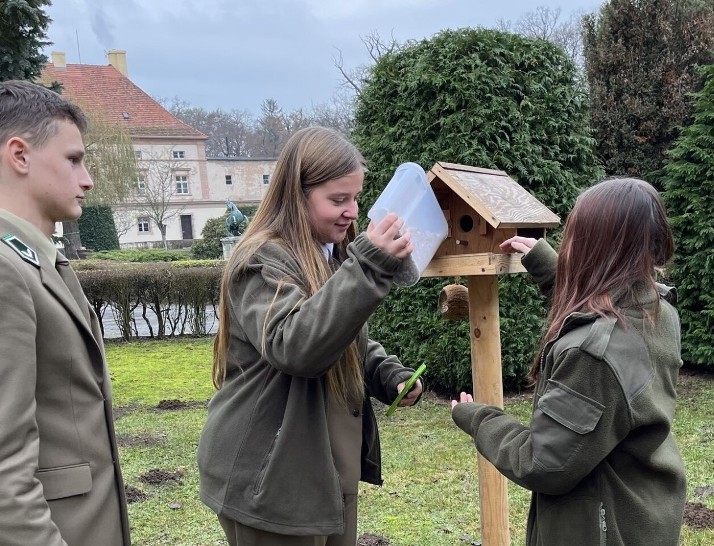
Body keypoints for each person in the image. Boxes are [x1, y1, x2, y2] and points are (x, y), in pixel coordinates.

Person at [197, 126, 424, 546]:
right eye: (337, 200)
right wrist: (370, 266)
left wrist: (385, 373)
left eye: (355, 197)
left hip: (324, 473)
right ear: (295, 196)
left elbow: (342, 335)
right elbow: (296, 344)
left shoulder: (328, 253)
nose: (352, 211)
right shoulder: (262, 260)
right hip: (270, 483)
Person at [451, 178, 687, 545]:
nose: (568, 243)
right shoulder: (656, 309)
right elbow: (600, 304)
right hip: (645, 510)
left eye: (575, 234)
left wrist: (479, 419)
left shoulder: (593, 357)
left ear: (594, 247)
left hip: (599, 530)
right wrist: (547, 266)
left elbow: (544, 464)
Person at [0, 80, 130, 544]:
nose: (87, 178)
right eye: (73, 159)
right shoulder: (6, 270)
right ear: (19, 155)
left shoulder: (35, 260)